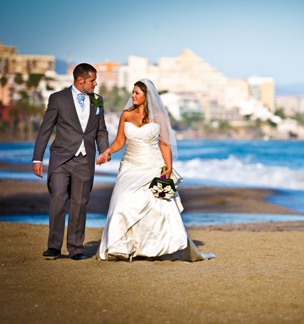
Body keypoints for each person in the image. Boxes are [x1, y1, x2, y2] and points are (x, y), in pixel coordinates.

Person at [96, 79, 214, 262]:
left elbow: (165, 145)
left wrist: (168, 167)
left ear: (146, 96)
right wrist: (107, 152)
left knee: (157, 209)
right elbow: (120, 141)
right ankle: (120, 247)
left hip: (153, 165)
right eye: (132, 92)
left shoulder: (159, 118)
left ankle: (152, 248)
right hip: (130, 166)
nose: (133, 96)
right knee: (122, 203)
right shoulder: (126, 115)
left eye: (137, 93)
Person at [32, 63, 110, 260]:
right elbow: (46, 129)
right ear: (80, 80)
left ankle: (76, 248)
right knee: (58, 198)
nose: (95, 83)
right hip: (61, 158)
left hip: (85, 160)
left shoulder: (98, 101)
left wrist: (104, 150)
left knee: (79, 203)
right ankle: (54, 247)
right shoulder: (58, 99)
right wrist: (37, 158)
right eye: (92, 80)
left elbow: (101, 130)